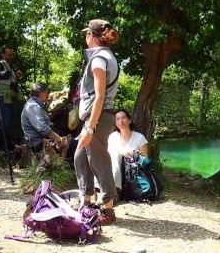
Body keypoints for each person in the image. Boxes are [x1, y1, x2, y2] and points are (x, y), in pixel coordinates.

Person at [74, 19, 119, 225]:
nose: (85, 38)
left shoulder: (99, 59)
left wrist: (90, 127)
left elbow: (100, 96)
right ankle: (87, 203)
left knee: (99, 160)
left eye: (87, 34)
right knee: (80, 157)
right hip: (97, 116)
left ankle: (108, 211)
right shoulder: (106, 56)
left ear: (92, 36)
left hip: (98, 118)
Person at [107, 109, 148, 191]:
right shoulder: (112, 136)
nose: (121, 121)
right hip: (114, 169)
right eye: (117, 119)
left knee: (116, 156)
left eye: (123, 118)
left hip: (131, 172)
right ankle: (102, 188)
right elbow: (108, 154)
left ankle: (114, 191)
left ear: (129, 120)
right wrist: (121, 152)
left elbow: (146, 160)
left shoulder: (140, 137)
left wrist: (135, 155)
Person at [21, 82, 66, 153]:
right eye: (46, 92)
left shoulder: (35, 104)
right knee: (72, 144)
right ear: (40, 93)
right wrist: (59, 139)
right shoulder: (32, 107)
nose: (48, 94)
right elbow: (42, 128)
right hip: (37, 143)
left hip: (41, 138)